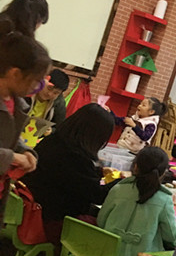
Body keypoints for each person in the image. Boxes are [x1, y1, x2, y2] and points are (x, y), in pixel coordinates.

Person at [97, 147, 176, 256]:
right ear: (163, 173)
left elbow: (101, 221)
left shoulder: (118, 189)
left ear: (135, 166)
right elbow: (172, 236)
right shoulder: (164, 199)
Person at [23, 103, 115, 244]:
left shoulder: (53, 141)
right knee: (109, 225)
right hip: (49, 220)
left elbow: (73, 177)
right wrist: (123, 182)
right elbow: (98, 195)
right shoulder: (75, 156)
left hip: (31, 210)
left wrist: (99, 172)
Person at [0, 32, 50, 213]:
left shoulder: (16, 102)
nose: (37, 87)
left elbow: (8, 137)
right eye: (35, 80)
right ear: (15, 74)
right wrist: (13, 158)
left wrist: (24, 151)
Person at [21, 68, 70, 144]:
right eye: (49, 88)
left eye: (55, 93)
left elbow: (60, 127)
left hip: (35, 139)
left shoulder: (58, 103)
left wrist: (51, 131)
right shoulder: (27, 92)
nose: (50, 94)